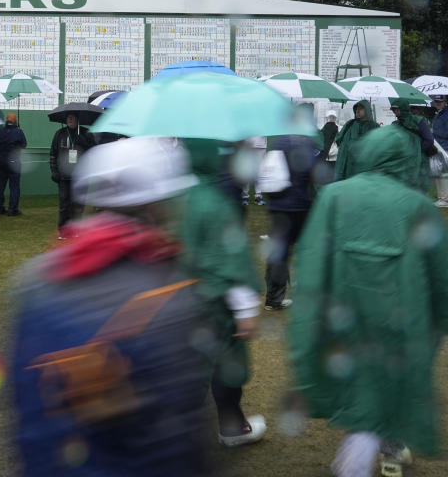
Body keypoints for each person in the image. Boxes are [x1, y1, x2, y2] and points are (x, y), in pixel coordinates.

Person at [11, 138, 212, 476]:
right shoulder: (170, 296)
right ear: (156, 207)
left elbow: (21, 408)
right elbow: (179, 432)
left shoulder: (33, 280)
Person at [290, 126, 448, 477]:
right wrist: (439, 320)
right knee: (388, 386)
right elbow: (441, 279)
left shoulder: (333, 197)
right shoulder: (418, 205)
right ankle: (372, 457)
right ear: (403, 159)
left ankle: (381, 451)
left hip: (343, 316)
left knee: (362, 388)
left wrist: (309, 312)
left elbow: (314, 259)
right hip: (401, 321)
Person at [182, 139, 266, 447]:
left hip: (175, 304)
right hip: (213, 306)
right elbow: (231, 258)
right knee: (223, 367)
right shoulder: (214, 203)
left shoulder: (171, 197)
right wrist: (245, 310)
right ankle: (231, 427)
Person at [263, 131, 319, 311]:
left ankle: (273, 298)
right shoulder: (307, 144)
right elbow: (315, 175)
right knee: (306, 252)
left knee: (278, 254)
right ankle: (305, 292)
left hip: (278, 207)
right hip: (299, 206)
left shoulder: (278, 142)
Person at [49, 112, 95, 233]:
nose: (69, 119)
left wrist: (84, 143)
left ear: (77, 119)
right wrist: (54, 171)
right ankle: (63, 230)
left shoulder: (86, 133)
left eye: (72, 117)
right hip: (64, 177)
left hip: (81, 176)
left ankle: (76, 229)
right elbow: (53, 154)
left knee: (78, 205)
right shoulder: (60, 134)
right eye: (68, 117)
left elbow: (94, 152)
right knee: (64, 204)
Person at [390, 97, 437, 192]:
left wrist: (416, 151)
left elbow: (429, 140)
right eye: (394, 109)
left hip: (420, 159)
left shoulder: (418, 120)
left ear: (403, 108)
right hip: (403, 161)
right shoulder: (395, 124)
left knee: (419, 187)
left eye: (397, 109)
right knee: (405, 187)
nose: (396, 112)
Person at [335, 100, 379, 180]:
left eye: (361, 108)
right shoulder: (350, 124)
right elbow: (339, 139)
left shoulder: (374, 127)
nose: (357, 111)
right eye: (356, 108)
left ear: (367, 110)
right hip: (346, 165)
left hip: (364, 166)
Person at [0, 113, 27, 216]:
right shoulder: (19, 132)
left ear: (6, 121)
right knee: (14, 187)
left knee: (0, 187)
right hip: (14, 162)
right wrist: (20, 131)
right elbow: (24, 145)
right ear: (15, 121)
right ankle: (12, 210)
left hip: (1, 162)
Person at [240, 136, 267, 206]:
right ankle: (244, 197)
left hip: (261, 144)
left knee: (259, 172)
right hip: (247, 144)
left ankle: (258, 197)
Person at [431, 96, 448, 207]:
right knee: (440, 172)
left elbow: (446, 132)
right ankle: (443, 198)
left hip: (444, 147)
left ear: (445, 102)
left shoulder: (446, 114)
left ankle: (444, 199)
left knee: (442, 173)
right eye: (436, 101)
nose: (438, 103)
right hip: (439, 146)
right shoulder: (440, 113)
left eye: (440, 101)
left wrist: (433, 131)